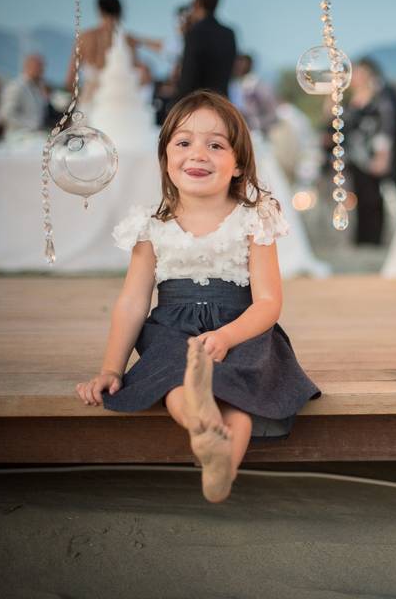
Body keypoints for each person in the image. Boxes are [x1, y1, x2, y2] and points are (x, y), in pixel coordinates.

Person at [74, 90, 319, 503]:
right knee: (177, 383)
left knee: (237, 397)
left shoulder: (253, 219)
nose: (197, 154)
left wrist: (226, 338)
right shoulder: (151, 225)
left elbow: (267, 303)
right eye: (183, 142)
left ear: (238, 162)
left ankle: (221, 464)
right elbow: (133, 303)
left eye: (215, 145)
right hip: (174, 333)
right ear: (166, 157)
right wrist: (111, 368)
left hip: (240, 332)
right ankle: (204, 427)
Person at [340, 57, 396, 245]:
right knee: (359, 197)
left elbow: (386, 127)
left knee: (374, 198)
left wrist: (383, 156)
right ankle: (362, 238)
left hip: (372, 155)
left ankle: (374, 238)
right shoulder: (350, 99)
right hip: (355, 156)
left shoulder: (379, 98)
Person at [177, 0, 237, 99]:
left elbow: (188, 76)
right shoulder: (229, 34)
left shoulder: (195, 33)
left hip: (199, 104)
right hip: (222, 103)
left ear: (197, 2)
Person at [0, 53, 49, 135]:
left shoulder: (37, 90)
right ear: (28, 66)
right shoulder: (16, 85)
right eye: (39, 66)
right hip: (18, 137)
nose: (42, 71)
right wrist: (31, 126)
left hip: (33, 136)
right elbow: (6, 114)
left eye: (42, 68)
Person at [228, 53, 277, 135]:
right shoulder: (234, 84)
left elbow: (272, 112)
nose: (238, 66)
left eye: (241, 63)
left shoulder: (257, 85)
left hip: (257, 134)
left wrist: (256, 125)